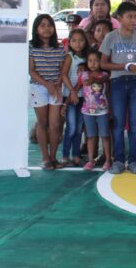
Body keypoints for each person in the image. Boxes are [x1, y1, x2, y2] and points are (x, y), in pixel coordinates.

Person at [100, 1, 136, 175]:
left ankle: (134, 160)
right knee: (119, 123)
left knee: (135, 124)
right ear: (119, 18)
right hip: (117, 83)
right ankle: (119, 160)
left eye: (135, 16)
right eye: (129, 16)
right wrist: (124, 67)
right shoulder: (111, 37)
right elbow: (103, 63)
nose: (133, 20)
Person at [29, 14, 66, 171]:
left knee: (55, 124)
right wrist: (47, 85)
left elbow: (62, 70)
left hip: (55, 88)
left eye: (49, 25)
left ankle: (53, 156)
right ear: (36, 29)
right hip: (38, 88)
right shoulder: (31, 46)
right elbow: (31, 70)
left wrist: (56, 84)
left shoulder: (59, 48)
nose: (46, 28)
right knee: (42, 123)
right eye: (42, 25)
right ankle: (45, 158)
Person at [60, 29, 88, 168]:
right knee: (70, 128)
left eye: (81, 40)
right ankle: (65, 156)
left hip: (84, 97)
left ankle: (76, 155)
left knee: (78, 129)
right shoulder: (69, 57)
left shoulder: (87, 58)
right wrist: (72, 91)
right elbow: (64, 75)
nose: (78, 43)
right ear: (70, 42)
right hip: (70, 97)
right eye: (74, 40)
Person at [80, 49, 112, 172]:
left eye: (96, 61)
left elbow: (103, 81)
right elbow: (78, 86)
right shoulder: (83, 75)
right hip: (87, 111)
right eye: (90, 61)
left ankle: (108, 160)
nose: (93, 63)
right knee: (91, 136)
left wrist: (94, 80)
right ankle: (91, 160)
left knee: (104, 135)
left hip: (102, 111)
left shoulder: (104, 75)